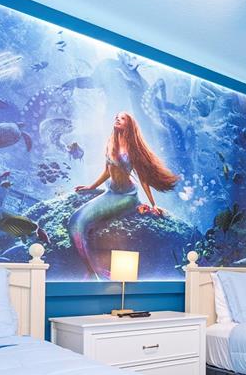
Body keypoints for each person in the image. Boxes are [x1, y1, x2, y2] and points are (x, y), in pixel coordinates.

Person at [68, 111, 180, 276]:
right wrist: (91, 187)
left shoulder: (133, 148)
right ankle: (92, 270)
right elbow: (107, 171)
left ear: (129, 124)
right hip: (111, 191)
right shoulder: (111, 142)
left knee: (80, 223)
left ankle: (93, 272)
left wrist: (153, 204)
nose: (118, 119)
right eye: (116, 117)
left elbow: (143, 178)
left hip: (126, 196)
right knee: (74, 222)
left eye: (122, 118)